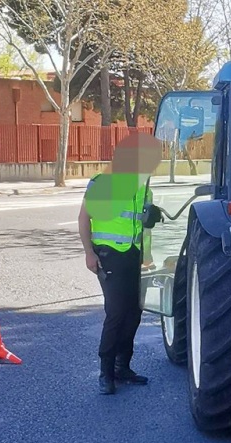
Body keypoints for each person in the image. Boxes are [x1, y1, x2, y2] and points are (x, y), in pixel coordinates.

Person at [78, 133, 165, 395]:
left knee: (134, 312)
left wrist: (152, 218)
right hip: (108, 254)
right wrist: (88, 253)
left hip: (134, 256)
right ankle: (106, 373)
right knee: (116, 313)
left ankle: (122, 367)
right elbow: (84, 218)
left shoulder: (143, 188)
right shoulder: (105, 182)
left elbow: (141, 223)